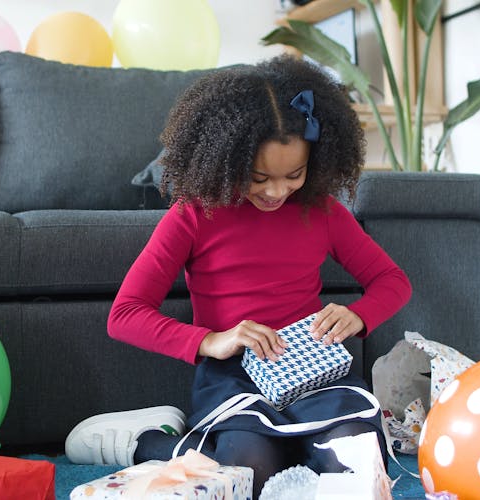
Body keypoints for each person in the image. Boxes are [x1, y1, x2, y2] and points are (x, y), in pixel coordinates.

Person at [65, 55, 412, 497]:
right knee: (247, 470)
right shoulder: (193, 215)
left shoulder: (323, 211)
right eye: (259, 177)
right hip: (234, 375)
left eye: (295, 175)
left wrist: (359, 315)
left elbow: (392, 280)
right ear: (227, 160)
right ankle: (146, 442)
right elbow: (125, 314)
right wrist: (212, 340)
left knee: (356, 463)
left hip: (314, 371)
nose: (276, 191)